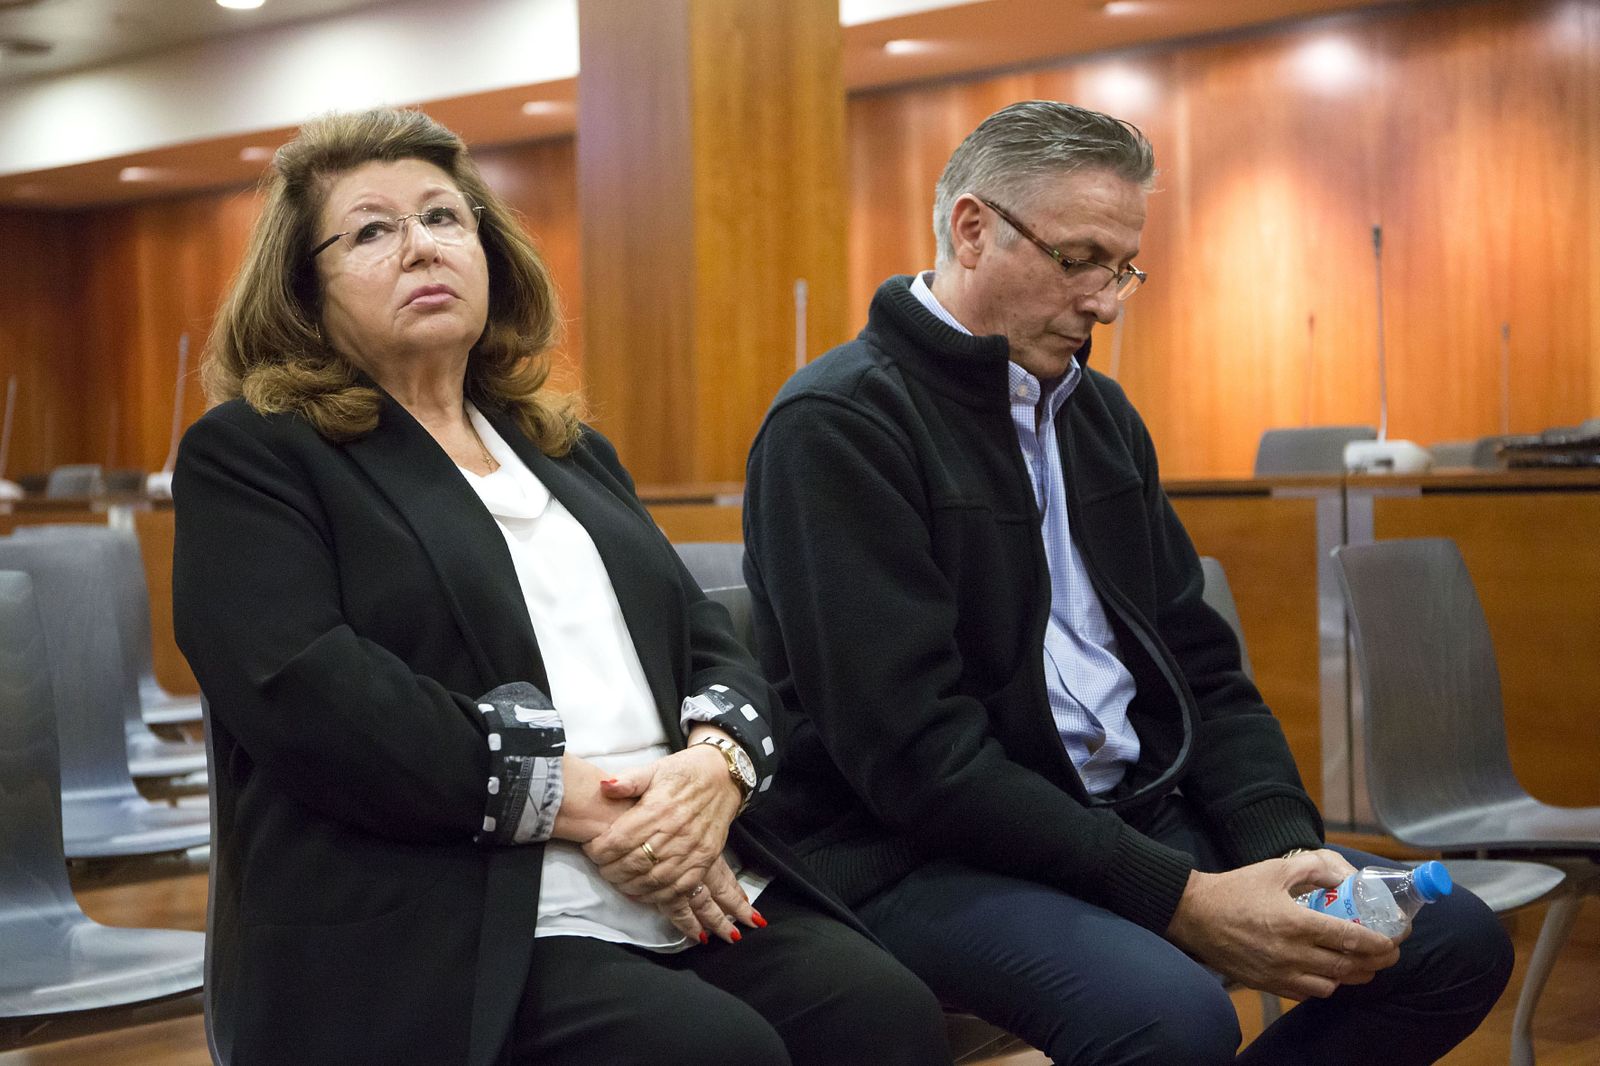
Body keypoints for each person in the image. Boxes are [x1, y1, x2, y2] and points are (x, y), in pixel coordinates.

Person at [741, 100, 1513, 1065]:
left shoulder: (1097, 413)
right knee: (1173, 1017)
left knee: (1449, 941)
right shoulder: (839, 424)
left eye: (1124, 268)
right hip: (916, 854)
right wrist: (1179, 900)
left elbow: (1201, 669)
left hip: (1130, 816)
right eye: (1079, 260)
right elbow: (917, 761)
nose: (1106, 301)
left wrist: (1283, 851)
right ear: (972, 230)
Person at [172, 107, 949, 1066]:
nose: (422, 247)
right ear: (305, 289)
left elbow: (704, 636)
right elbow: (306, 689)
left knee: (884, 1016)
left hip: (675, 860)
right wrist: (567, 799)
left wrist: (711, 773)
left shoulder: (564, 448)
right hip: (451, 897)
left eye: (445, 218)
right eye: (373, 230)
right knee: (711, 1053)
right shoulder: (256, 454)